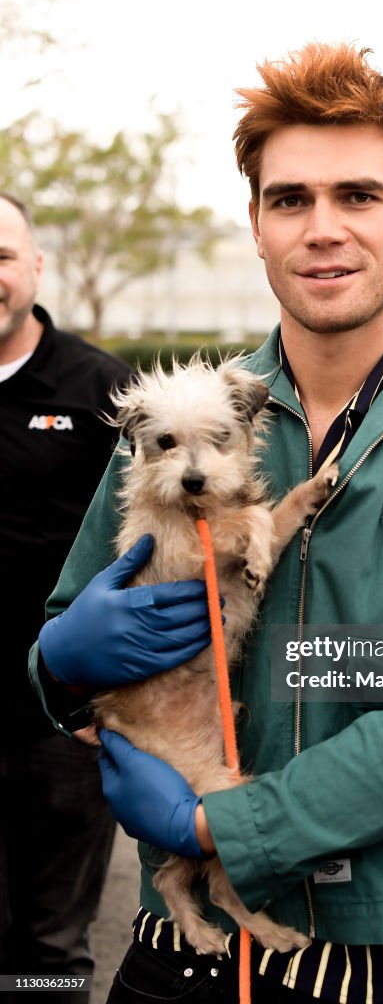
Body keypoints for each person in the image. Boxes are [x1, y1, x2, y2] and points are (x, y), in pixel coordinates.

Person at [29, 45, 383, 1003]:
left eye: (358, 196)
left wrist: (216, 829)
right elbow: (65, 642)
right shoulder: (177, 423)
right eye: (290, 200)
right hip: (185, 950)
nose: (323, 230)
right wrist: (60, 659)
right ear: (257, 225)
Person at [0, 192, 131, 1001]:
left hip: (65, 714)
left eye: (1, 257)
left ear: (36, 267)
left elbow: (150, 548)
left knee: (47, 950)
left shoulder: (99, 389)